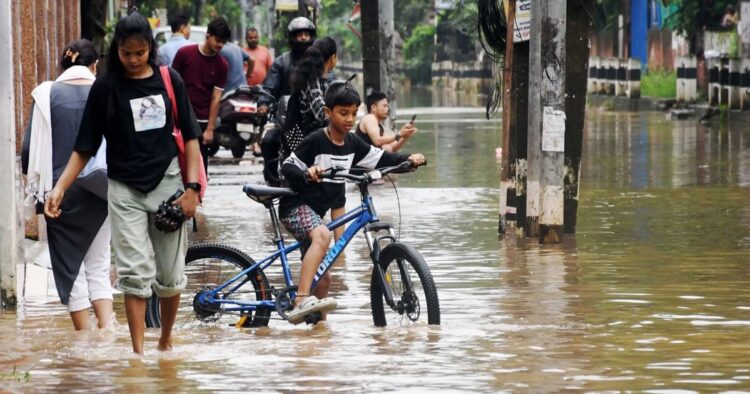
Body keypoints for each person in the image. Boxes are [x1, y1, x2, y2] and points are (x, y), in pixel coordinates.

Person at [44, 11, 203, 355]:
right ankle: (138, 355)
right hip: (124, 189)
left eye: (140, 53)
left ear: (150, 48)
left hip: (168, 185)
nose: (132, 60)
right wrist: (59, 188)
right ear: (116, 49)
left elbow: (191, 137)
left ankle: (165, 341)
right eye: (126, 53)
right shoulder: (106, 87)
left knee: (170, 275)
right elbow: (84, 146)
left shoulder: (168, 79)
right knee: (133, 272)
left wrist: (192, 190)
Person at [278, 83, 425, 324]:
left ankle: (319, 329)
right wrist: (308, 172)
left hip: (315, 214)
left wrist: (408, 159)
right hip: (294, 206)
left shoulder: (353, 144)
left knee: (323, 278)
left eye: (353, 113)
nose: (349, 119)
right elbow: (288, 166)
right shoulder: (316, 140)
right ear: (328, 113)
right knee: (323, 235)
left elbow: (381, 158)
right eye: (343, 113)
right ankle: (301, 298)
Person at [22, 39, 113, 331]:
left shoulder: (46, 95)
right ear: (94, 64)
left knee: (71, 270)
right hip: (102, 190)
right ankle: (107, 333)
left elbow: (28, 153)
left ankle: (84, 342)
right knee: (98, 265)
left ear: (63, 66)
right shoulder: (106, 92)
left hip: (58, 196)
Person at [259, 16, 316, 186]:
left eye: (307, 33)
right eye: (300, 34)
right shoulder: (281, 62)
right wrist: (263, 104)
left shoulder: (318, 61)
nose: (304, 37)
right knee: (268, 141)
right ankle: (272, 181)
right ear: (292, 37)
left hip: (313, 119)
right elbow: (269, 88)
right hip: (285, 119)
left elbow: (331, 83)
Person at [172, 17, 230, 176]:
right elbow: (172, 85)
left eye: (223, 42)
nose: (220, 45)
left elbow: (216, 98)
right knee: (177, 165)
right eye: (218, 40)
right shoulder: (185, 54)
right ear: (208, 36)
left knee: (200, 170)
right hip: (181, 118)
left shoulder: (222, 65)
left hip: (202, 122)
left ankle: (199, 200)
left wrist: (210, 129)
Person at [282, 36, 337, 157]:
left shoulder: (319, 80)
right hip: (310, 141)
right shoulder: (313, 82)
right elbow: (321, 114)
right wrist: (339, 114)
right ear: (333, 58)